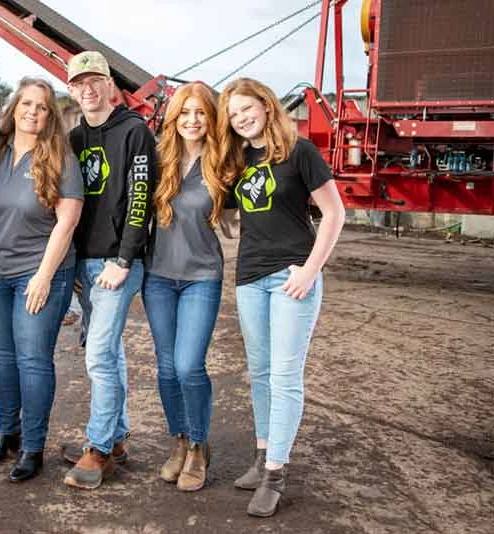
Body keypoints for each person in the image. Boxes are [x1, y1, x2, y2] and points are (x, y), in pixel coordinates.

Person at [217, 77, 345, 517]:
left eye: (247, 109)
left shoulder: (300, 151)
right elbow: (231, 216)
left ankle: (275, 473)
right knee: (259, 373)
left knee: (285, 375)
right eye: (233, 115)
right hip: (250, 277)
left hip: (292, 275)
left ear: (267, 106)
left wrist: (311, 270)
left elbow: (334, 212)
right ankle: (261, 456)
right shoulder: (239, 160)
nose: (241, 118)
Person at [0, 77, 83, 482]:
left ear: (49, 115)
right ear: (14, 108)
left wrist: (43, 276)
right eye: (26, 104)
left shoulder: (60, 158)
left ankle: (33, 447)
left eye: (41, 106)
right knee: (2, 357)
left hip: (40, 273)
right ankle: (7, 433)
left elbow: (67, 220)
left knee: (33, 359)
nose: (33, 112)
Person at [61, 51, 158, 490]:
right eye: (79, 83)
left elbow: (141, 198)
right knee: (108, 353)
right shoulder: (75, 138)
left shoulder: (134, 132)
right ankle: (116, 438)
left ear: (109, 84)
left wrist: (124, 259)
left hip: (119, 263)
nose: (88, 89)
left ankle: (97, 448)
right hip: (86, 263)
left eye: (95, 80)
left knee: (98, 353)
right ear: (72, 89)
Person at [143, 82, 227, 492]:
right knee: (165, 366)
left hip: (201, 276)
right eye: (185, 113)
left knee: (189, 364)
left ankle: (198, 444)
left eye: (200, 113)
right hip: (158, 276)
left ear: (211, 118)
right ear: (173, 117)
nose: (192, 121)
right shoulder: (158, 161)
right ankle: (178, 440)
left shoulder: (225, 162)